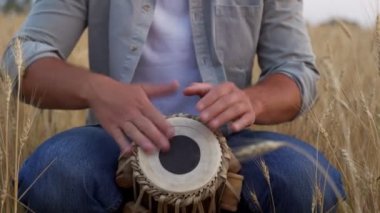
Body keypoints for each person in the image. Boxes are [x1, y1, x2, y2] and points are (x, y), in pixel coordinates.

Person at [2, 0, 345, 212]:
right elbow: (23, 57)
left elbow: (297, 71)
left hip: (226, 140)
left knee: (306, 179)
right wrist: (97, 89)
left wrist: (251, 101)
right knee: (57, 174)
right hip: (116, 139)